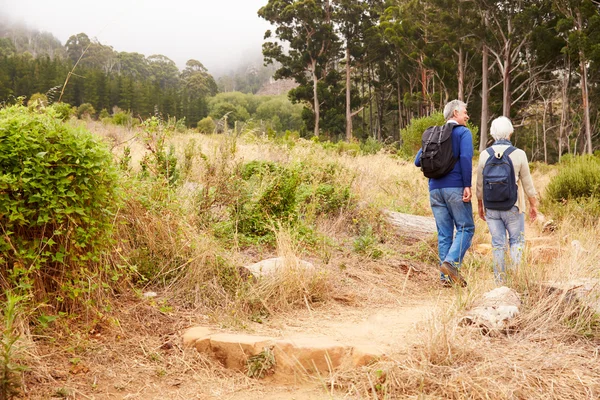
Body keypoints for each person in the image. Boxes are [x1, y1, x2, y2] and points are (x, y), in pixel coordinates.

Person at [415, 100, 474, 287]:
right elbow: (465, 158)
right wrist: (467, 185)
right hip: (455, 187)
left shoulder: (434, 134)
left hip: (434, 190)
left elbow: (418, 161)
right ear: (455, 113)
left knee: (444, 234)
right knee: (466, 228)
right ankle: (451, 264)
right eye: (465, 112)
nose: (467, 116)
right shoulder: (463, 133)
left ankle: (446, 279)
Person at [476, 116, 538, 284]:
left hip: (491, 208)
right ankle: (517, 280)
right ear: (510, 132)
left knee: (498, 244)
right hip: (513, 206)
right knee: (516, 241)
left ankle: (499, 283)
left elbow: (479, 185)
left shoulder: (484, 155)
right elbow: (527, 183)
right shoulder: (519, 154)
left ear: (492, 133)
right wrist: (533, 206)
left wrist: (481, 206)